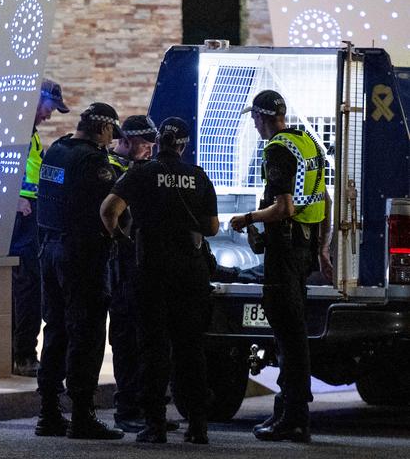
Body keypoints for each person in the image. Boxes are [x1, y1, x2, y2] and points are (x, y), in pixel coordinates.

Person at [100, 117, 219, 444]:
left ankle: (154, 424)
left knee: (153, 348)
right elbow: (212, 227)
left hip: (151, 269)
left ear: (160, 142)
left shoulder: (141, 173)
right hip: (190, 271)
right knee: (190, 349)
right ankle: (197, 426)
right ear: (183, 144)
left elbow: (109, 209)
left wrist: (122, 240)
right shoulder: (197, 176)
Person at [230, 89, 332, 443]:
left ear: (262, 117)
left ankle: (293, 417)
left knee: (287, 335)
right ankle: (291, 411)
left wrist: (246, 218)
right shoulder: (309, 143)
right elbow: (326, 199)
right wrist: (322, 247)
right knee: (294, 332)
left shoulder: (277, 148)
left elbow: (284, 208)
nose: (256, 126)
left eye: (255, 119)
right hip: (303, 248)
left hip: (285, 251)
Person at [34, 102, 124, 440]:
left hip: (50, 249)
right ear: (102, 129)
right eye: (110, 134)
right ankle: (83, 414)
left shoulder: (57, 150)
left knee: (55, 330)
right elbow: (108, 209)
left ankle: (49, 413)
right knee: (86, 333)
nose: (111, 141)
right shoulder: (94, 161)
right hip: (81, 255)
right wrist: (121, 238)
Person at [107, 115, 163, 433]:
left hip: (139, 265)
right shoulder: (113, 169)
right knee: (126, 339)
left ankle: (145, 406)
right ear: (127, 141)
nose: (149, 151)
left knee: (144, 338)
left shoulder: (138, 170)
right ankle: (127, 408)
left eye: (153, 145)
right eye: (144, 145)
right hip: (121, 265)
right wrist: (122, 243)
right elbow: (109, 213)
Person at [10, 79, 70, 377]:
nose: (49, 115)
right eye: (49, 108)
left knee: (30, 287)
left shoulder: (30, 135)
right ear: (36, 99)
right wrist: (13, 199)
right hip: (23, 219)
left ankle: (21, 353)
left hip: (32, 215)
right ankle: (23, 355)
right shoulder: (17, 132)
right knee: (29, 287)